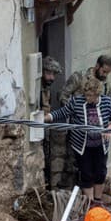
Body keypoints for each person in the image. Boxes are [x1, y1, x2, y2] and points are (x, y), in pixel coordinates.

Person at [46, 76, 111, 205]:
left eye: (91, 95)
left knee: (100, 172)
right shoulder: (77, 102)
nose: (88, 98)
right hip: (83, 145)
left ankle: (97, 200)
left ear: (97, 94)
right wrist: (48, 117)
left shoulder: (107, 102)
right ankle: (89, 203)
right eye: (86, 95)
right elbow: (63, 112)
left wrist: (110, 127)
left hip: (101, 145)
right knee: (86, 173)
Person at [53, 55, 111, 188]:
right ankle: (68, 193)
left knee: (95, 169)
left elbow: (110, 109)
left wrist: (109, 125)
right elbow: (63, 95)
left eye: (108, 73)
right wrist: (75, 110)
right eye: (104, 71)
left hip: (97, 138)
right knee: (71, 164)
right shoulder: (79, 77)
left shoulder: (106, 87)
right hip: (77, 132)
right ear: (97, 66)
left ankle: (88, 198)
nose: (105, 75)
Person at [40, 56, 62, 188]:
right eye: (48, 73)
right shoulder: (38, 88)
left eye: (53, 74)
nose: (51, 78)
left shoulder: (46, 88)